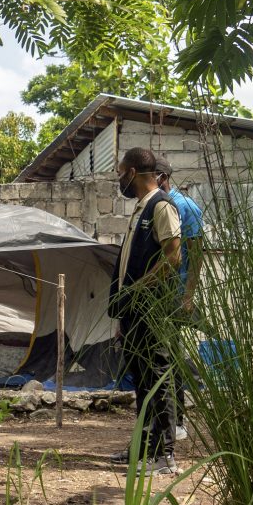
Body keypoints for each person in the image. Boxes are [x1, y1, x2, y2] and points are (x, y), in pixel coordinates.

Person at [106, 147, 183, 474]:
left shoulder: (161, 206)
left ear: (133, 172)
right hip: (133, 312)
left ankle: (164, 456)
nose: (120, 179)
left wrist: (140, 289)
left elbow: (173, 256)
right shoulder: (141, 208)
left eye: (121, 172)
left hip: (153, 311)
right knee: (142, 381)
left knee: (158, 379)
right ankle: (142, 447)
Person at [155, 157, 205, 442]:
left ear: (162, 177)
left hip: (174, 295)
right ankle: (163, 421)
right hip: (157, 295)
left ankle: (178, 421)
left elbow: (196, 253)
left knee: (172, 358)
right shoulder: (156, 206)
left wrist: (188, 295)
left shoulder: (185, 206)